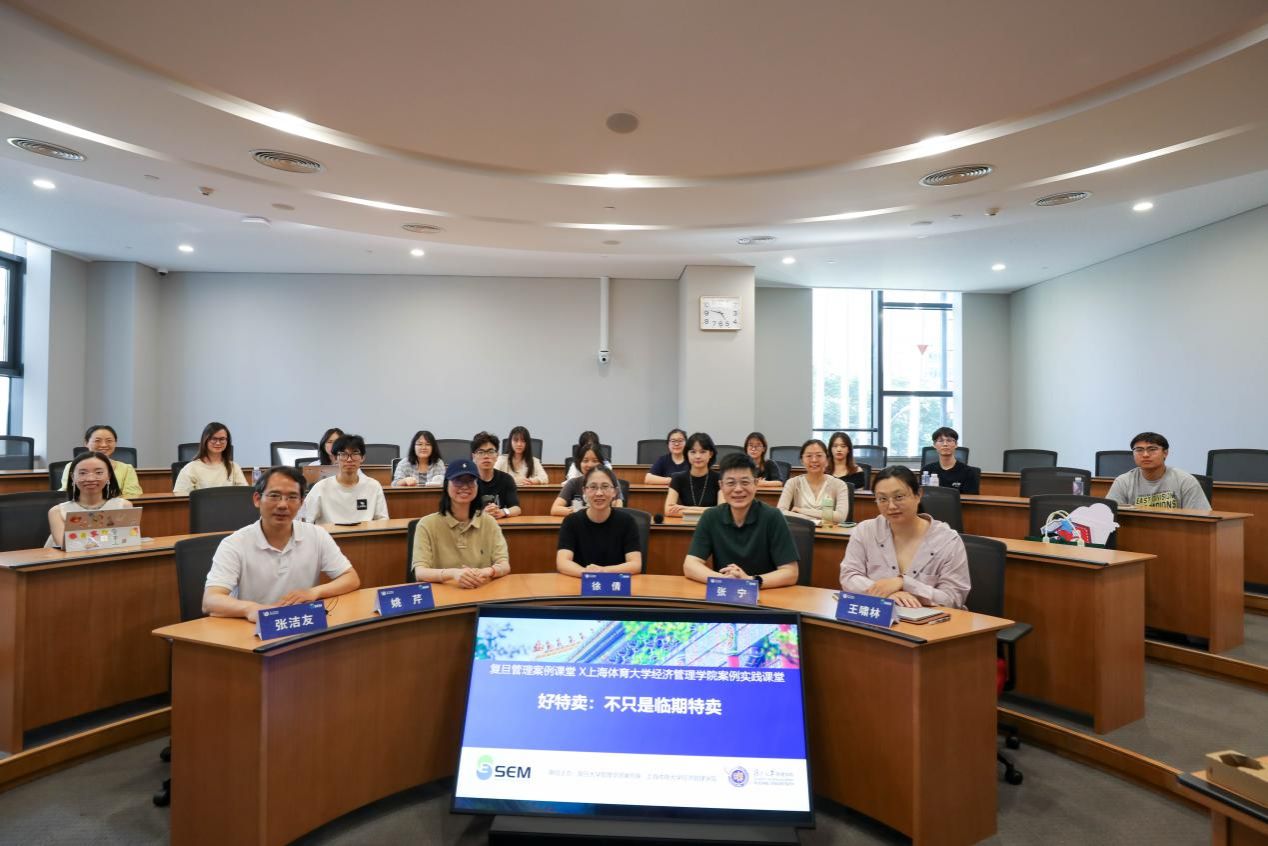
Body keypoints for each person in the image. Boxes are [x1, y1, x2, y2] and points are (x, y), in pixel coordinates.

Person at [202, 466, 360, 622]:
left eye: (292, 497)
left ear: (301, 503)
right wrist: (250, 609)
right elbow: (210, 600)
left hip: (301, 623)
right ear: (257, 499)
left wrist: (313, 592)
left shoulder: (317, 535)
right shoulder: (234, 544)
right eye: (274, 496)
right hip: (252, 627)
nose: (283, 505)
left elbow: (351, 578)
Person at [839, 466, 970, 609]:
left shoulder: (948, 541)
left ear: (918, 495)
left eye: (899, 497)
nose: (891, 506)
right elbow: (849, 576)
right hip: (878, 615)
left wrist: (904, 583)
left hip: (928, 620)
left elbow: (953, 599)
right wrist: (887, 594)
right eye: (882, 499)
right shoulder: (865, 531)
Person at [682, 453, 800, 588]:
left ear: (756, 484)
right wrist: (724, 579)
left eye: (745, 482)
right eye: (730, 483)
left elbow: (791, 572)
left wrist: (750, 581)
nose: (738, 489)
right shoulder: (711, 517)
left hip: (765, 594)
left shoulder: (773, 517)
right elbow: (690, 565)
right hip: (725, 593)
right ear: (721, 485)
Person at [412, 459, 511, 586]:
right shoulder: (426, 524)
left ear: (477, 486)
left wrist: (486, 572)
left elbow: (504, 564)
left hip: (481, 590)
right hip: (443, 593)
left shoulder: (489, 522)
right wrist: (454, 573)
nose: (464, 486)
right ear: (446, 485)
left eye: (470, 481)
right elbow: (420, 572)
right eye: (458, 480)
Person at [556, 466, 642, 576]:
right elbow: (562, 562)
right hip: (580, 582)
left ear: (615, 492)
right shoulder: (571, 521)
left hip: (615, 584)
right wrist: (588, 574)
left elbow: (635, 564)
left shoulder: (627, 522)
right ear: (584, 491)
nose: (599, 493)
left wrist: (602, 571)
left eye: (605, 487)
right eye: (593, 487)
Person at [47, 451, 133, 548]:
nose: (90, 479)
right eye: (83, 473)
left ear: (109, 476)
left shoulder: (124, 506)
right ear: (72, 477)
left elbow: (127, 542)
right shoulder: (57, 512)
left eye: (99, 472)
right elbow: (64, 548)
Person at [1106, 432, 1210, 510]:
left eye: (1152, 449)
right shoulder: (1123, 481)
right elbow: (1110, 515)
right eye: (1139, 450)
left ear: (1165, 453)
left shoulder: (1185, 481)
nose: (1145, 455)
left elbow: (1201, 518)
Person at [300, 434, 389, 524]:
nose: (349, 459)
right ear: (335, 458)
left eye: (355, 454)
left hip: (364, 533)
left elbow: (382, 520)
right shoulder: (321, 487)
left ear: (362, 457)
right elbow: (305, 520)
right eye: (343, 454)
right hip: (329, 533)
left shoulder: (374, 486)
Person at [777, 439, 851, 523]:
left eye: (819, 455)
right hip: (802, 530)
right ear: (802, 460)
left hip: (829, 530)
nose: (814, 460)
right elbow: (781, 512)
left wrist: (800, 510)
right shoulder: (793, 483)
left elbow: (841, 517)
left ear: (827, 460)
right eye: (809, 456)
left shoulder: (839, 485)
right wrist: (813, 520)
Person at [60, 425, 143, 498]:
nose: (104, 445)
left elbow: (133, 495)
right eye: (97, 440)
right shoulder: (72, 466)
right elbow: (65, 493)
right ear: (86, 443)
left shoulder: (126, 468)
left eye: (109, 441)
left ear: (115, 443)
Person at [551, 442, 625, 516]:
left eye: (595, 461)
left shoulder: (611, 481)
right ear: (579, 463)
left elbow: (618, 508)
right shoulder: (574, 483)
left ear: (602, 463)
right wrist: (584, 513)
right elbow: (555, 509)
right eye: (585, 461)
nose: (590, 465)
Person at [173, 421, 248, 494]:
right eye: (213, 439)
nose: (218, 443)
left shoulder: (234, 467)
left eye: (222, 439)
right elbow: (180, 498)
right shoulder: (190, 469)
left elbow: (245, 494)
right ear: (205, 440)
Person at [665, 432, 721, 517]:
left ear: (710, 454)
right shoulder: (677, 478)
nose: (697, 456)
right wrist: (710, 511)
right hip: (685, 524)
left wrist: (685, 508)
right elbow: (668, 510)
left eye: (702, 452)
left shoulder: (719, 478)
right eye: (693, 452)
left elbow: (721, 511)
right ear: (687, 454)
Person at [471, 431, 521, 518]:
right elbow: (461, 511)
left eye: (490, 452)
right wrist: (481, 513)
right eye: (481, 452)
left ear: (497, 455)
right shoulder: (468, 480)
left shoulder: (506, 479)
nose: (486, 456)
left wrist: (502, 512)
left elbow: (516, 508)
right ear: (474, 456)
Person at [920, 427, 979, 494]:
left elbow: (971, 498)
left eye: (949, 440)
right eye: (941, 441)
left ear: (956, 444)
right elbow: (921, 495)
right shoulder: (926, 471)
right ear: (934, 445)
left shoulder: (968, 472)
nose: (945, 444)